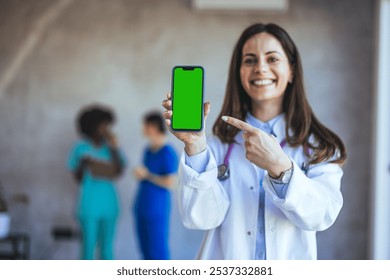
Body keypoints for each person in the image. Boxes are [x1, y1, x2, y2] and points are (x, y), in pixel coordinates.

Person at [162, 23, 347, 260]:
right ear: (239, 72)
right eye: (249, 60)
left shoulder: (319, 146)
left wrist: (282, 168)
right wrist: (195, 147)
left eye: (272, 59)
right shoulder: (218, 143)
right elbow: (201, 218)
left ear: (291, 70)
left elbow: (321, 215)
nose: (260, 68)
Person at [67, 105, 126, 260]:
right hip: (88, 206)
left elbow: (119, 171)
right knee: (87, 250)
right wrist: (83, 164)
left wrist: (114, 148)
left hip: (110, 205)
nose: (107, 128)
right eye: (104, 124)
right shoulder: (80, 148)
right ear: (92, 126)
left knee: (107, 251)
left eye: (108, 125)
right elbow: (78, 178)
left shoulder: (111, 148)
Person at [133, 111, 178, 260]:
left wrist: (148, 175)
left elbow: (171, 182)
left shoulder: (167, 152)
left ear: (153, 126)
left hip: (157, 208)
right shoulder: (148, 150)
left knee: (157, 250)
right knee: (145, 250)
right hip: (142, 205)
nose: (143, 129)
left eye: (145, 125)